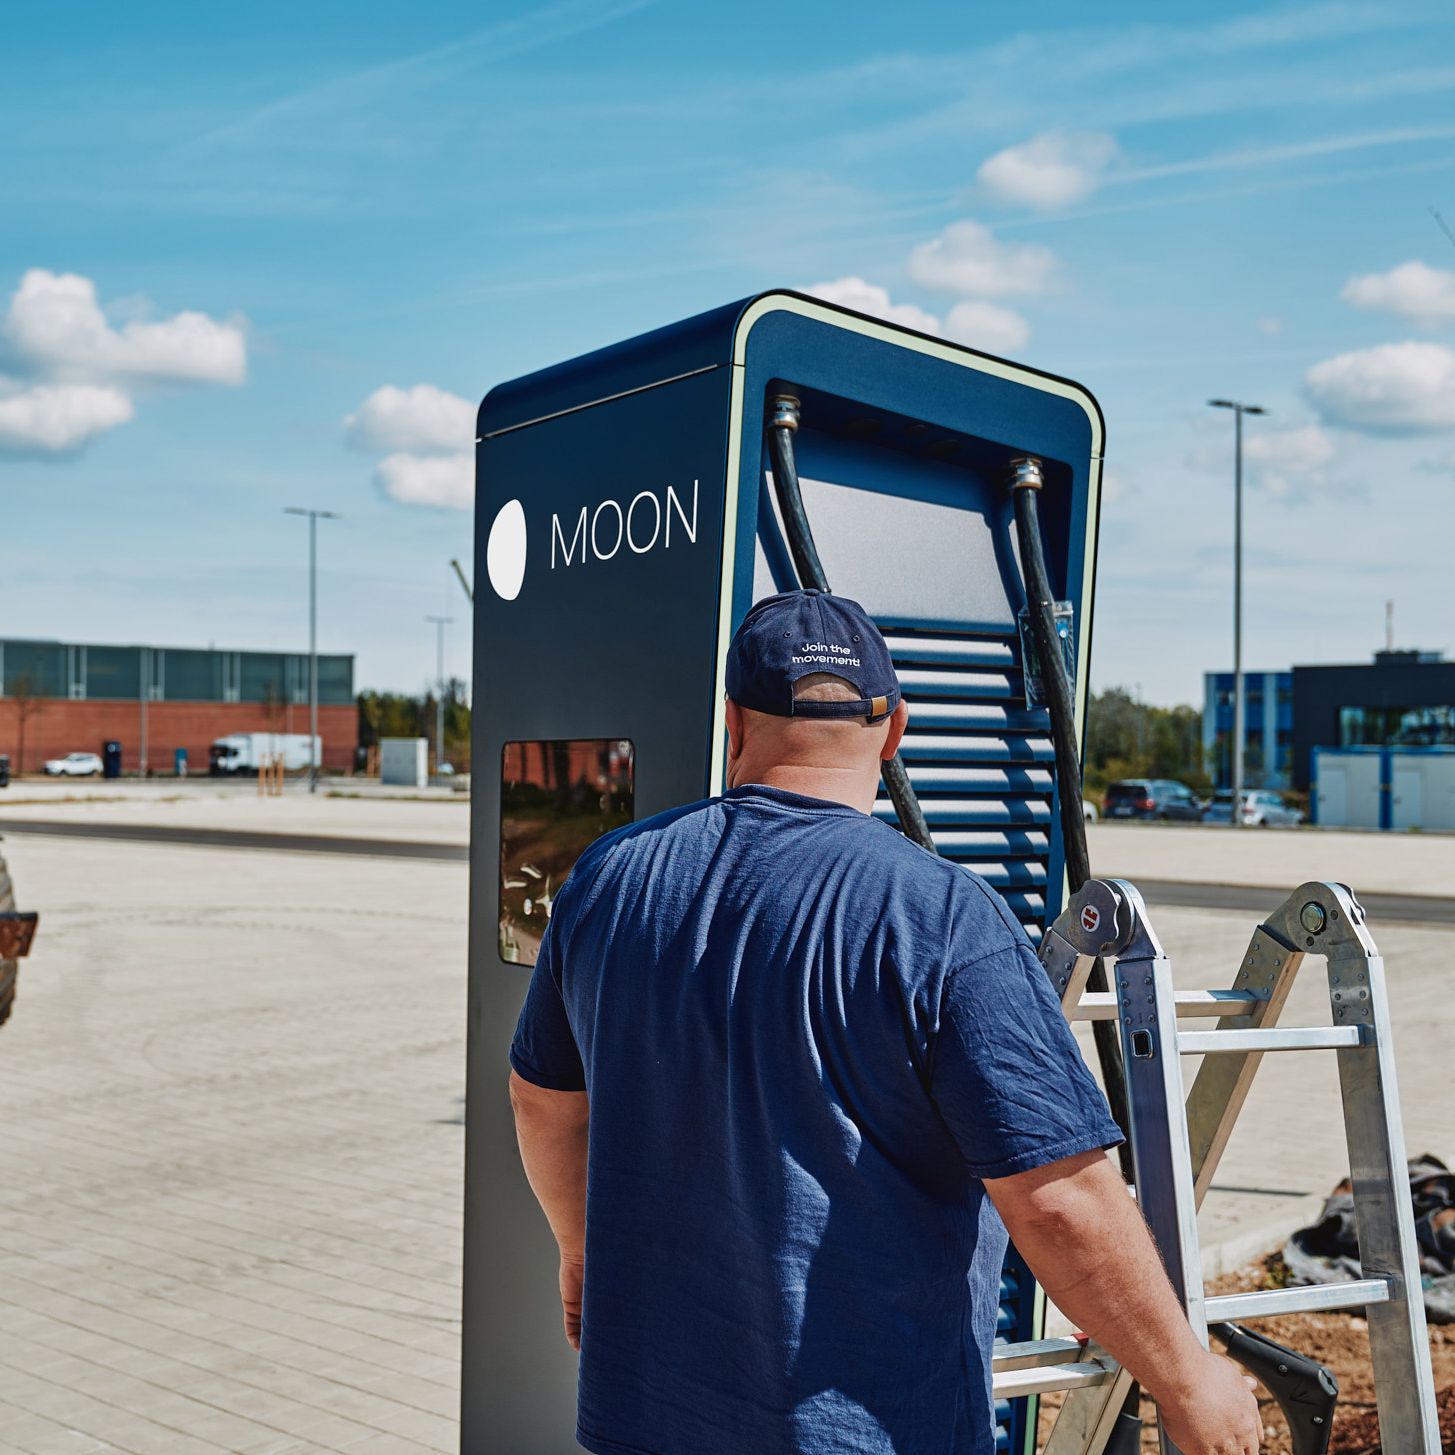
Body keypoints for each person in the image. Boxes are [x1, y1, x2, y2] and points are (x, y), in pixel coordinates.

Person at [509, 588, 1261, 1455]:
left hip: (641, 1416)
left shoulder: (610, 877)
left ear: (733, 724)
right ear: (894, 730)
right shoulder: (942, 919)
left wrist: (580, 1249)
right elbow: (1056, 1201)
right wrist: (1187, 1379)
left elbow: (543, 1102)